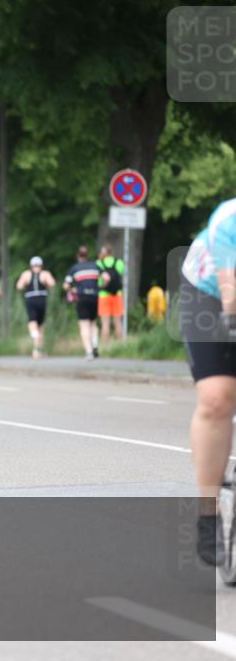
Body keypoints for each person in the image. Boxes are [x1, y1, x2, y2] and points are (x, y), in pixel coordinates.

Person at [178, 197, 236, 566]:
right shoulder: (230, 220)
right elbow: (232, 298)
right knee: (217, 397)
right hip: (210, 295)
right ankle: (208, 513)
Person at [64, 245, 101, 360]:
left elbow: (66, 285)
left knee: (84, 324)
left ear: (78, 256)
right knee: (93, 322)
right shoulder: (95, 266)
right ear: (87, 255)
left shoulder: (75, 268)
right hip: (95, 296)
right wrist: (101, 287)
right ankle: (95, 344)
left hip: (82, 296)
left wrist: (71, 291)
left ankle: (89, 352)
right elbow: (106, 277)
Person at [16, 256, 56, 360]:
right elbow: (52, 283)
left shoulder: (26, 274)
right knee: (40, 325)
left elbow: (19, 286)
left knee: (32, 321)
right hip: (42, 299)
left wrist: (26, 285)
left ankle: (35, 339)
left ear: (31, 265)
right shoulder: (45, 274)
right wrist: (46, 285)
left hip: (30, 299)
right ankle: (37, 349)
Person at [96, 244, 126, 343]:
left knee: (105, 323)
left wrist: (100, 259)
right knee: (118, 321)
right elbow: (121, 273)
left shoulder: (99, 263)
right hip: (117, 294)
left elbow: (97, 277)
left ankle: (105, 346)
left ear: (103, 253)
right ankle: (119, 345)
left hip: (103, 295)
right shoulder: (119, 262)